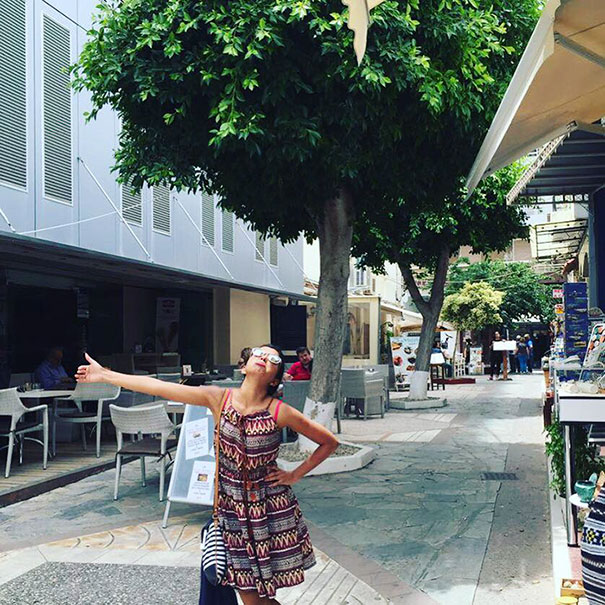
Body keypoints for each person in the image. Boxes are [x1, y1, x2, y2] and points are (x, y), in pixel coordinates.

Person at [76, 344, 337, 605]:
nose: (264, 358)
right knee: (249, 595)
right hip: (232, 509)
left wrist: (294, 475)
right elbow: (158, 387)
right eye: (259, 353)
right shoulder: (219, 399)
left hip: (269, 510)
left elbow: (328, 442)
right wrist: (106, 375)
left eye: (273, 359)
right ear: (244, 367)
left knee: (261, 596)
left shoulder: (280, 411)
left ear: (275, 379)